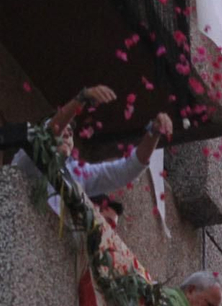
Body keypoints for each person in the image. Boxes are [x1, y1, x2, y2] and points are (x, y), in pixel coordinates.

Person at [13, 84, 172, 212]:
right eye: (64, 128)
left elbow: (124, 171)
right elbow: (49, 134)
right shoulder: (29, 150)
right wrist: (82, 98)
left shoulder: (76, 173)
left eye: (71, 130)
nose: (68, 132)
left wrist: (153, 133)